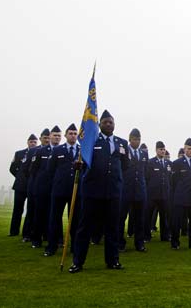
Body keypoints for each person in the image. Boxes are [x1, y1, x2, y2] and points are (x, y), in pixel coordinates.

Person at [69, 110, 129, 273]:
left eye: (111, 122)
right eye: (105, 122)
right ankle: (78, 262)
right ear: (99, 124)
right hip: (92, 191)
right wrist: (78, 165)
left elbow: (125, 165)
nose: (108, 124)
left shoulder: (121, 143)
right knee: (85, 227)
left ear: (114, 124)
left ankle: (113, 260)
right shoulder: (91, 140)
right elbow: (81, 160)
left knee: (112, 228)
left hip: (113, 191)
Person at [44, 124, 80, 256]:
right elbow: (50, 170)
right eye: (70, 133)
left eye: (75, 133)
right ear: (65, 135)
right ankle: (51, 247)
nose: (73, 135)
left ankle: (75, 248)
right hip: (59, 190)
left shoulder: (82, 150)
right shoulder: (58, 150)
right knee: (54, 219)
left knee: (75, 220)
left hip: (76, 191)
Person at [30, 125, 62, 248]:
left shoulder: (62, 150)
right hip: (42, 188)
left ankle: (56, 239)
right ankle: (36, 239)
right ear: (50, 137)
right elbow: (33, 170)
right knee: (40, 214)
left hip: (57, 188)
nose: (56, 137)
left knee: (55, 215)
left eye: (59, 135)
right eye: (54, 135)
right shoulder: (40, 151)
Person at [170, 138, 191, 249]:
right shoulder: (177, 163)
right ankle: (175, 243)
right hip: (181, 196)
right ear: (184, 149)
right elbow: (173, 181)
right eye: (189, 148)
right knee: (177, 222)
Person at [119, 128, 148, 252]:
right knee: (121, 218)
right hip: (125, 189)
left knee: (139, 219)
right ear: (130, 139)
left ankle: (139, 243)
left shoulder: (143, 154)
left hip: (139, 190)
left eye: (139, 139)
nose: (137, 141)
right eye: (135, 139)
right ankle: (120, 243)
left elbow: (145, 171)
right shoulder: (123, 152)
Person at [8, 134, 38, 237]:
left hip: (33, 186)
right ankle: (14, 231)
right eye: (31, 142)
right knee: (17, 209)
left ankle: (29, 232)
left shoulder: (38, 152)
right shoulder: (19, 154)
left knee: (31, 210)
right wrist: (20, 177)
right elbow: (12, 168)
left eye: (35, 142)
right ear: (27, 142)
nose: (33, 143)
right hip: (20, 186)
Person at [23, 128, 49, 242]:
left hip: (47, 187)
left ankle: (44, 234)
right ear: (40, 139)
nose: (47, 140)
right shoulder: (34, 151)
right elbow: (27, 169)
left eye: (49, 138)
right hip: (34, 185)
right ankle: (27, 234)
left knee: (45, 212)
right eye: (45, 138)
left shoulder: (53, 150)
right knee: (31, 211)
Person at [145, 141, 172, 242]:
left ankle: (164, 236)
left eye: (164, 149)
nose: (163, 151)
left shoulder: (169, 163)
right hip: (152, 194)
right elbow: (147, 177)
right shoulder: (150, 162)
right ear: (156, 150)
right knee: (148, 216)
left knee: (164, 217)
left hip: (164, 194)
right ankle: (146, 236)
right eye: (161, 149)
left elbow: (171, 178)